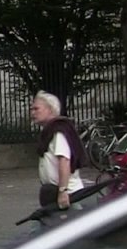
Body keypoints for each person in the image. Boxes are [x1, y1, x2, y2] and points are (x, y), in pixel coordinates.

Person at [31, 91, 86, 224]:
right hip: (54, 193)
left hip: (68, 195)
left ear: (50, 109)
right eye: (31, 109)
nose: (32, 112)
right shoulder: (50, 131)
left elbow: (64, 161)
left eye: (36, 108)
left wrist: (63, 191)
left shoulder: (58, 132)